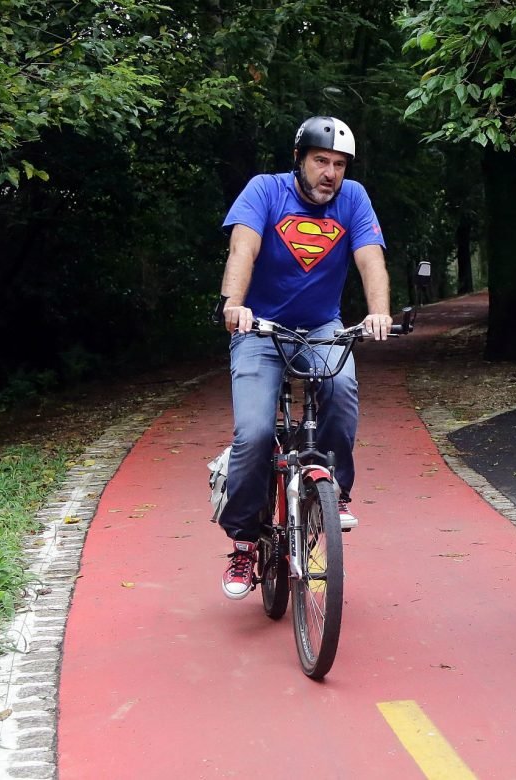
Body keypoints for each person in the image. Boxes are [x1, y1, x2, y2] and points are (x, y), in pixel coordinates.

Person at [214, 115, 392, 600]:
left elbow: (371, 256)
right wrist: (234, 304)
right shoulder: (265, 191)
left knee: (341, 388)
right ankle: (244, 541)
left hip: (321, 329)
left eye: (338, 164)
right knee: (252, 432)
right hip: (260, 329)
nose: (330, 173)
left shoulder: (353, 199)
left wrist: (378, 313)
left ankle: (332, 489)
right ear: (299, 160)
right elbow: (242, 249)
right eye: (321, 161)